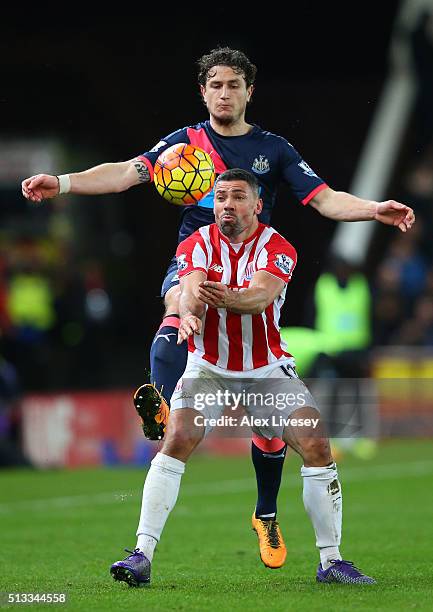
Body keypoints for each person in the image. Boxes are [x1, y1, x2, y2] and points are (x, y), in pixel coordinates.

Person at [21, 46, 415, 570]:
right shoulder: (184, 145)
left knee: (279, 435)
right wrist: (64, 183)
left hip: (254, 286)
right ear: (202, 91)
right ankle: (162, 410)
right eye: (215, 85)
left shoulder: (272, 151)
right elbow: (125, 172)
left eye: (233, 85)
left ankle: (280, 522)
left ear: (249, 91)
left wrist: (373, 210)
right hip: (198, 264)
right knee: (177, 311)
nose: (224, 94)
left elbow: (323, 199)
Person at [110, 169, 376, 586]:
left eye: (236, 197)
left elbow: (259, 298)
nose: (226, 206)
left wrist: (222, 298)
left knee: (316, 444)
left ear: (256, 205)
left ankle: (331, 561)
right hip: (208, 369)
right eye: (219, 198)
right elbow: (193, 290)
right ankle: (141, 554)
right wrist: (191, 318)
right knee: (177, 439)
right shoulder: (195, 243)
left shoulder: (278, 246)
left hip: (266, 371)